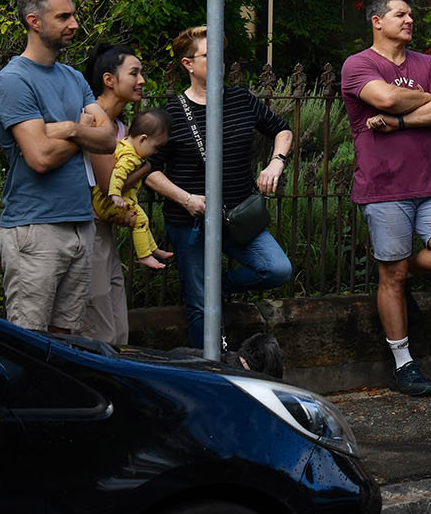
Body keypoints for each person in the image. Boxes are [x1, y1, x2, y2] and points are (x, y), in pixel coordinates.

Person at [341, 0, 431, 397]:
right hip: (384, 187)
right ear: (377, 21)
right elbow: (384, 97)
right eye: (401, 14)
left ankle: (397, 269)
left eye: (411, 14)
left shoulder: (429, 64)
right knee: (392, 276)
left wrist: (398, 123)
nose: (409, 20)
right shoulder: (359, 64)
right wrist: (427, 100)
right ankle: (404, 362)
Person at [144, 25, 295, 348]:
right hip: (191, 223)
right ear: (188, 64)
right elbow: (149, 171)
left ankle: (218, 288)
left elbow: (282, 130)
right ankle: (209, 371)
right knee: (199, 307)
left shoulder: (240, 99)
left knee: (277, 269)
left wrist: (276, 162)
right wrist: (185, 199)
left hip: (238, 217)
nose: (220, 62)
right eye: (210, 56)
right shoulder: (169, 114)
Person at [0, 0, 115, 333]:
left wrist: (70, 128)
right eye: (63, 17)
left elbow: (108, 139)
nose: (74, 24)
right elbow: (40, 157)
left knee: (67, 341)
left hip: (80, 223)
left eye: (73, 15)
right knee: (30, 341)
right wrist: (83, 128)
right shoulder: (15, 81)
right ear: (34, 22)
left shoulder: (73, 77)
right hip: (36, 229)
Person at [82, 42, 147, 344]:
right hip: (88, 229)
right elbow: (110, 185)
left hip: (106, 230)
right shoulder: (95, 120)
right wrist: (151, 165)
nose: (142, 80)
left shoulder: (120, 127)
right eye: (134, 73)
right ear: (109, 80)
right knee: (102, 330)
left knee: (120, 329)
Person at [100, 109, 174, 270]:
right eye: (156, 147)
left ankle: (152, 249)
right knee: (140, 220)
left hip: (114, 199)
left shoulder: (126, 144)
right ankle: (144, 255)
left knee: (143, 219)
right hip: (108, 202)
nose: (155, 152)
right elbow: (118, 174)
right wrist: (115, 195)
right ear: (142, 140)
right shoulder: (131, 157)